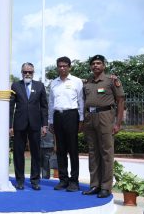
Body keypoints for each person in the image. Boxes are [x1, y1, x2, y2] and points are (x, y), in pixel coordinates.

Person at [81, 55, 125, 198]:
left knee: (106, 152)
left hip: (105, 117)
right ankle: (95, 185)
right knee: (93, 153)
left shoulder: (111, 80)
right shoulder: (87, 82)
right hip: (90, 118)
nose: (95, 66)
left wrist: (118, 123)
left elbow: (120, 101)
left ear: (104, 66)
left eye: (98, 63)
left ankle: (106, 187)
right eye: (93, 63)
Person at [9, 62, 48, 191]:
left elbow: (44, 107)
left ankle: (35, 180)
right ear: (21, 72)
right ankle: (19, 180)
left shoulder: (40, 86)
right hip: (19, 124)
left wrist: (44, 125)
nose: (27, 74)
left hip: (35, 124)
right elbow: (10, 107)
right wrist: (10, 125)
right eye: (25, 72)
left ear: (33, 73)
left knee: (36, 153)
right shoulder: (15, 85)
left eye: (30, 72)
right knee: (18, 153)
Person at [48, 56, 84, 192]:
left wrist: (81, 119)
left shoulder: (77, 81)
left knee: (73, 150)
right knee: (60, 150)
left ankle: (74, 181)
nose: (62, 68)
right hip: (58, 116)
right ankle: (63, 180)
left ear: (69, 67)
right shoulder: (53, 83)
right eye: (60, 66)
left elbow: (81, 101)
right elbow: (51, 102)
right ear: (57, 67)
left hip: (71, 115)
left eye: (65, 66)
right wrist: (50, 120)